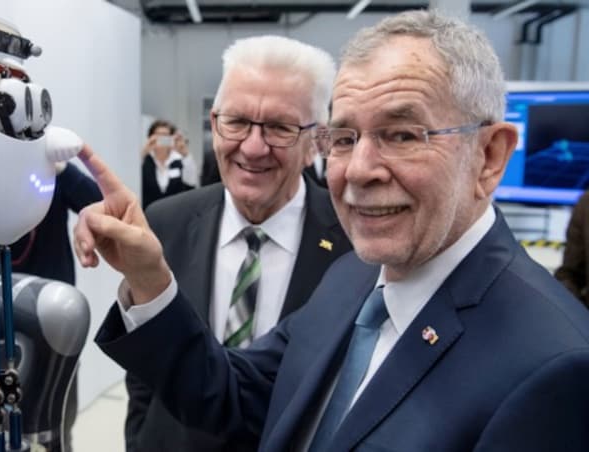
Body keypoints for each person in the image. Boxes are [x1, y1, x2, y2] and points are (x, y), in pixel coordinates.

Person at [75, 10, 589, 452]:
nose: (359, 169)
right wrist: (148, 276)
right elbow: (232, 395)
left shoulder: (555, 369)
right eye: (345, 136)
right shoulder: (356, 278)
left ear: (490, 156)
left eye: (402, 134)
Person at [125, 35, 351, 452]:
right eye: (237, 122)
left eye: (280, 128)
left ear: (316, 143)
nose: (252, 146)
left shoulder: (353, 243)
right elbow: (146, 371)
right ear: (214, 124)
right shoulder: (166, 221)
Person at [10, 160, 102, 452]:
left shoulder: (50, 172)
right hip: (0, 311)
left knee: (58, 417)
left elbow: (96, 202)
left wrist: (62, 167)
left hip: (55, 320)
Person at [141, 119, 198, 209]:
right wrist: (144, 151)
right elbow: (132, 179)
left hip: (175, 213)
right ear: (151, 137)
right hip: (149, 214)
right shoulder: (145, 160)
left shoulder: (178, 160)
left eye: (165, 135)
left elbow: (191, 183)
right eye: (158, 135)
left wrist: (185, 153)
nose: (162, 138)